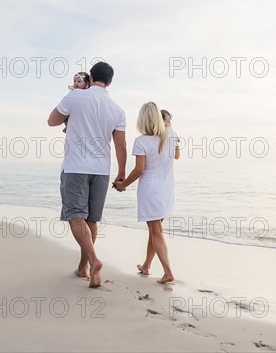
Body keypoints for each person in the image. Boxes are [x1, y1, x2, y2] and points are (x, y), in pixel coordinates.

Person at [47, 61, 127, 288]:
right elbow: (121, 145)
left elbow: (52, 121)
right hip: (101, 170)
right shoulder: (117, 109)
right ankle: (84, 268)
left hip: (75, 167)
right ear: (110, 82)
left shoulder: (74, 97)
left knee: (75, 216)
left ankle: (93, 261)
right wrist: (121, 173)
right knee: (91, 219)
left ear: (90, 77)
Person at [113, 102, 180, 284]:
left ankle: (167, 272)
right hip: (167, 190)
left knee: (155, 231)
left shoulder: (142, 141)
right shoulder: (171, 136)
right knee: (155, 230)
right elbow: (176, 156)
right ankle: (147, 266)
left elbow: (139, 170)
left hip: (151, 192)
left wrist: (123, 184)